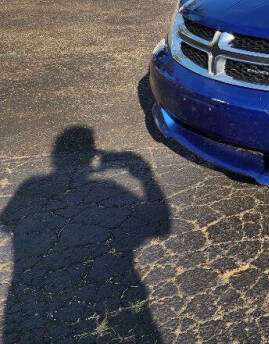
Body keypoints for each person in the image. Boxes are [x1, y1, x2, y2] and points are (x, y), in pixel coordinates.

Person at [0, 126, 170, 342]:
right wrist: (146, 177)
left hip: (29, 301)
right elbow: (160, 227)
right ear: (91, 156)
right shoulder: (110, 188)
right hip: (117, 292)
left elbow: (7, 224)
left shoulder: (31, 185)